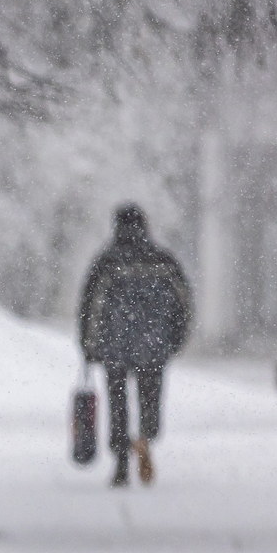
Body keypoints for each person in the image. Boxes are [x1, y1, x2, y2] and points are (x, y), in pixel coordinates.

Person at [78, 203, 193, 486]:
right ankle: (145, 437)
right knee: (150, 397)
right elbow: (183, 303)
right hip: (154, 344)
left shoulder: (106, 261)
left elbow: (90, 306)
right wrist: (175, 339)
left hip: (113, 344)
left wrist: (89, 345)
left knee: (118, 402)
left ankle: (120, 458)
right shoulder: (163, 260)